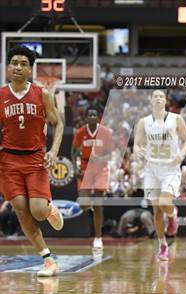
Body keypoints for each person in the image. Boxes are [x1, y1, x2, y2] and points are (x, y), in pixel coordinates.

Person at [0, 45, 64, 276]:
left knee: (37, 211)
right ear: (8, 67)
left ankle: (48, 209)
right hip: (8, 161)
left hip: (35, 158)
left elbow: (59, 124)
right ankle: (48, 259)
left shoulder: (42, 94)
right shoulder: (0, 95)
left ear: (30, 70)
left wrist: (54, 150)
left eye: (23, 64)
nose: (18, 67)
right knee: (20, 209)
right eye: (14, 63)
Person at [134, 89, 186, 261]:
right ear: (150, 101)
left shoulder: (176, 119)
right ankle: (162, 245)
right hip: (152, 169)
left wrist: (181, 155)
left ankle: (173, 216)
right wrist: (137, 149)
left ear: (165, 101)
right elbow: (137, 143)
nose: (158, 99)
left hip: (170, 168)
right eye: (155, 97)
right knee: (157, 211)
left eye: (161, 96)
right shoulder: (143, 122)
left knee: (165, 203)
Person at [72, 107, 113, 252]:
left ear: (98, 117)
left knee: (98, 204)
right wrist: (75, 167)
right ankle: (88, 203)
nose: (92, 117)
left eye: (94, 115)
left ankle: (98, 237)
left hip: (101, 169)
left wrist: (100, 158)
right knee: (83, 204)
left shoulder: (106, 133)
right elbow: (73, 151)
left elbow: (110, 155)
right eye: (89, 114)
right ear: (86, 118)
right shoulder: (80, 133)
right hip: (85, 168)